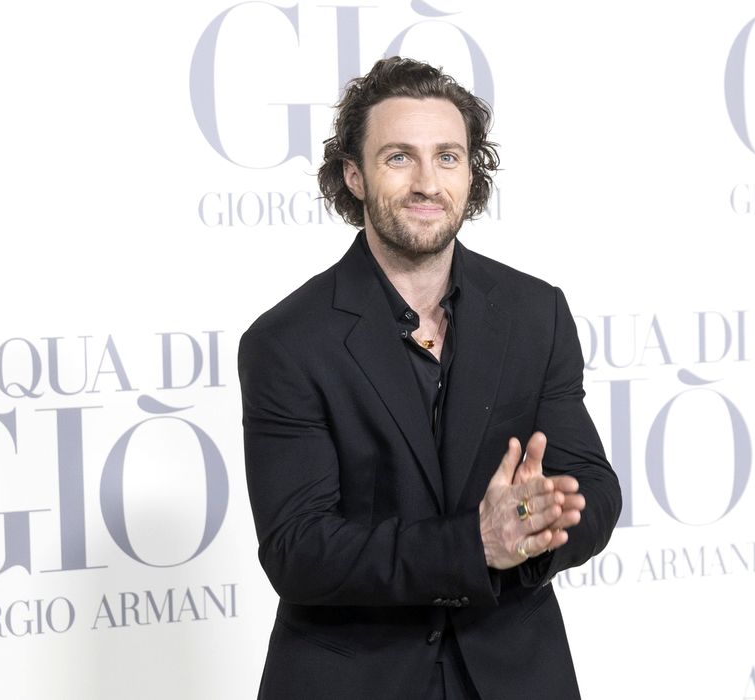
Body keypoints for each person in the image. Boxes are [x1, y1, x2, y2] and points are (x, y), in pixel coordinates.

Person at [238, 56, 621, 700]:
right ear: (354, 175)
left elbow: (595, 489)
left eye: (447, 157)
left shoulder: (536, 313)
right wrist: (475, 544)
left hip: (516, 674)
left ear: (471, 173)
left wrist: (533, 529)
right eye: (399, 158)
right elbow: (298, 550)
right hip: (354, 681)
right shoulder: (286, 342)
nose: (427, 182)